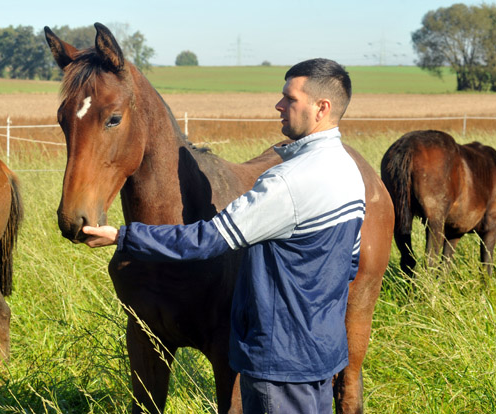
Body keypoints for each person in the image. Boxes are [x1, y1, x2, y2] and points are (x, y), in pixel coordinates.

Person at [82, 58, 365, 414]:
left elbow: (208, 239)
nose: (279, 106)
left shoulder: (287, 184)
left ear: (321, 108)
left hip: (278, 363)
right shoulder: (349, 173)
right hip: (321, 355)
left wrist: (124, 236)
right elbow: (348, 265)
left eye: (289, 99)